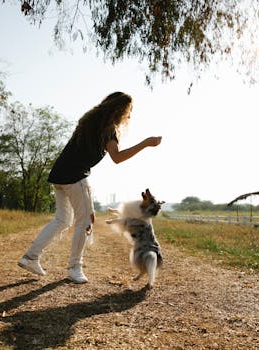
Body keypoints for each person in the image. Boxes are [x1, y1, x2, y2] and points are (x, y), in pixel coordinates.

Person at [18, 92, 162, 283]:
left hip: (59, 174)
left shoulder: (90, 121)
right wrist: (146, 143)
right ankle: (74, 267)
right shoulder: (108, 129)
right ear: (120, 110)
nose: (129, 116)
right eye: (129, 111)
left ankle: (30, 257)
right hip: (75, 176)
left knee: (62, 220)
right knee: (84, 222)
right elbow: (117, 158)